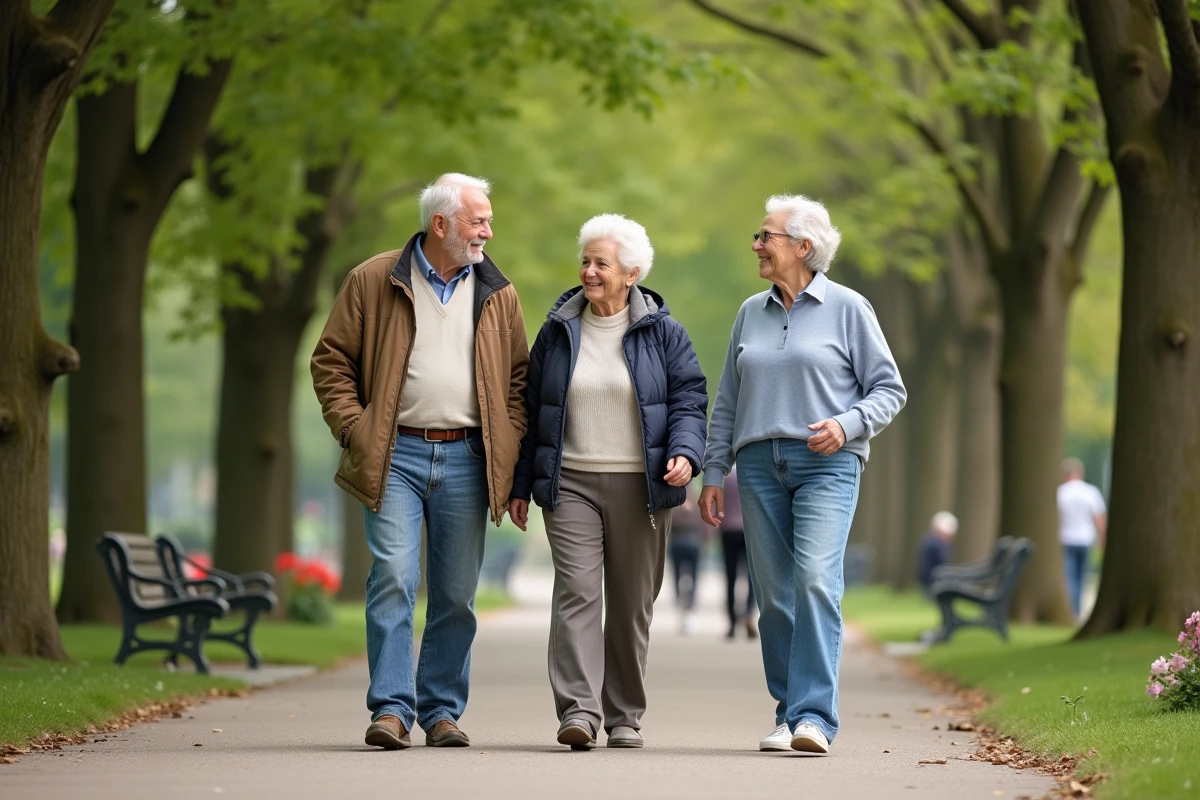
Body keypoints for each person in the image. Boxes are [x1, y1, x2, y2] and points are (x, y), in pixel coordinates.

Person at [310, 173, 529, 750]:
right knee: (393, 578)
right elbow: (330, 361)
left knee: (455, 594)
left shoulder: (498, 292)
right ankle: (390, 709)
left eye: (488, 221)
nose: (488, 231)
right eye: (478, 221)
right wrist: (354, 429)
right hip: (394, 453)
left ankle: (441, 712)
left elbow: (518, 382)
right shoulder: (373, 279)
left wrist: (508, 446)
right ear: (441, 224)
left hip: (468, 457)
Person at [699, 195, 906, 755]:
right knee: (774, 596)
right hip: (758, 466)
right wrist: (714, 471)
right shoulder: (750, 312)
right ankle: (787, 713)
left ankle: (814, 717)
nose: (756, 245)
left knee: (815, 578)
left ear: (803, 246)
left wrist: (847, 424)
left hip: (828, 463)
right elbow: (728, 399)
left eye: (765, 236)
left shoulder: (849, 308)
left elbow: (889, 389)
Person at [508, 214, 708, 751]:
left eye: (602, 263)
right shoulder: (557, 331)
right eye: (586, 261)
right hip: (569, 480)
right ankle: (578, 709)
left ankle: (624, 715)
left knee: (631, 604)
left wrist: (686, 453)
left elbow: (689, 400)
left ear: (632, 274)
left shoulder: (665, 333)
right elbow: (532, 410)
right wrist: (520, 485)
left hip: (641, 486)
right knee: (576, 592)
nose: (589, 271)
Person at [1057, 457, 1107, 621]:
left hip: (1066, 539)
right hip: (1085, 539)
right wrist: (1102, 537)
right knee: (1081, 577)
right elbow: (1098, 518)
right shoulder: (1090, 492)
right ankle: (1076, 609)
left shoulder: (1061, 492)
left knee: (1070, 577)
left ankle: (1071, 610)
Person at [720, 466, 757, 640]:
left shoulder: (724, 477)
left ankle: (732, 622)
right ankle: (748, 613)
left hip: (728, 532)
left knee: (730, 578)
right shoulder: (752, 472)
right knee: (752, 577)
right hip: (750, 530)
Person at [669, 483, 706, 635]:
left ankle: (686, 605)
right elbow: (703, 522)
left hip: (681, 542)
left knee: (680, 577)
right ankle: (688, 606)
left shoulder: (674, 499)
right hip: (691, 542)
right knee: (691, 577)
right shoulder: (696, 498)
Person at [916, 511, 958, 594]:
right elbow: (941, 563)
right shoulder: (934, 544)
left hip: (935, 580)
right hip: (932, 581)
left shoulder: (938, 542)